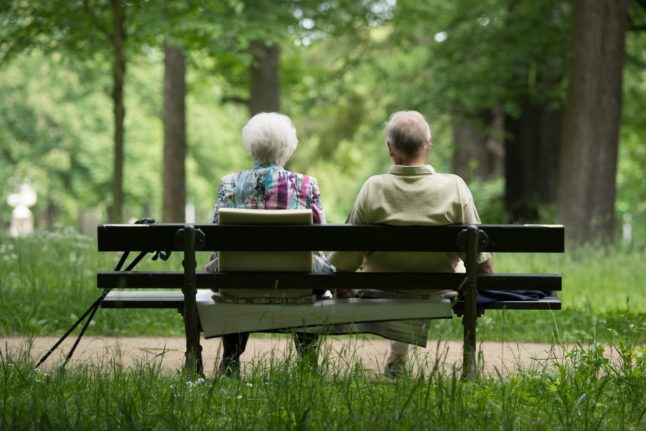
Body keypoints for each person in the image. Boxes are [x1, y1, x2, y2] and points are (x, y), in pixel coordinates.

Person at [328, 110, 494, 378]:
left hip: (380, 288)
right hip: (438, 288)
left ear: (390, 149)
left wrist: (343, 285)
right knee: (441, 276)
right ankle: (467, 366)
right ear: (427, 144)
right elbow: (479, 254)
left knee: (396, 276)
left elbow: (348, 251)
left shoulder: (374, 188)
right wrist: (484, 284)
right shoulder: (454, 187)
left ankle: (397, 363)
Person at [205, 112, 333, 376]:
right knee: (315, 269)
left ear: (251, 147)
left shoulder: (229, 184)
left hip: (237, 283)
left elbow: (213, 237)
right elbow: (321, 238)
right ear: (287, 149)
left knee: (228, 271)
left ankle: (231, 358)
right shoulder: (307, 185)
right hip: (299, 285)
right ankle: (307, 361)